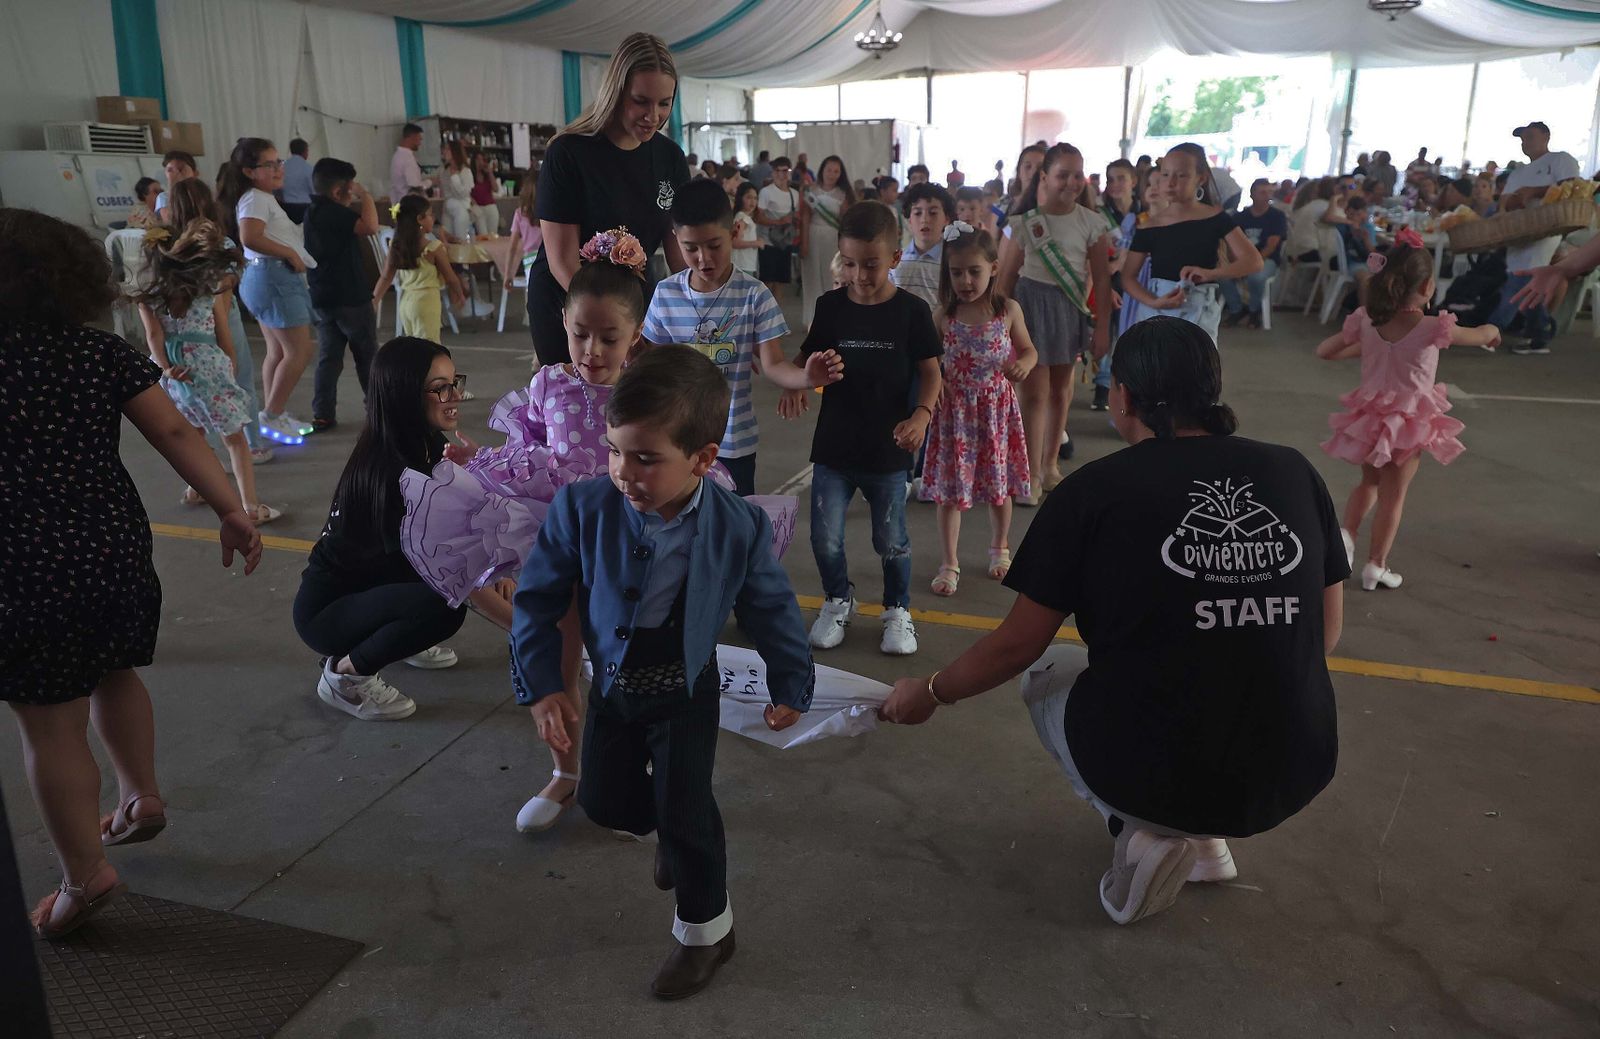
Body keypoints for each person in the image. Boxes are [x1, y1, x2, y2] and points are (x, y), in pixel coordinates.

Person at [881, 317, 1351, 925]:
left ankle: (1144, 835)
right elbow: (1325, 634)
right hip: (1297, 765)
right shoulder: (1293, 472)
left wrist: (931, 691)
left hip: (1156, 770)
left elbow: (1016, 645)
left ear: (1122, 396)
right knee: (1218, 678)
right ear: (1213, 388)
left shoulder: (1094, 491)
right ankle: (1207, 843)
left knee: (1049, 672)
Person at [511, 345, 814, 1000]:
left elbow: (770, 607)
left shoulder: (737, 527)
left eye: (647, 457)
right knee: (605, 801)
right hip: (615, 687)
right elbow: (536, 600)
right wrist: (542, 687)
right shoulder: (582, 509)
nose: (624, 471)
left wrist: (792, 682)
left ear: (704, 459)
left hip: (685, 688)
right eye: (617, 450)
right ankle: (673, 830)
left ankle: (707, 932)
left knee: (687, 811)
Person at [0, 207, 262, 939]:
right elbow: (176, 428)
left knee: (50, 725)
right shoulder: (98, 353)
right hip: (112, 552)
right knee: (116, 671)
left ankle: (84, 874)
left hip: (21, 566)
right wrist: (232, 508)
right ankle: (141, 793)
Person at [294, 337, 513, 722]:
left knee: (466, 578)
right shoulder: (391, 473)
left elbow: (467, 522)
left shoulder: (422, 441)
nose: (454, 396)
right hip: (328, 615)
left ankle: (396, 637)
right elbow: (459, 576)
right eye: (438, 388)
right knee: (445, 607)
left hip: (375, 587)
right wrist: (530, 632)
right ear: (402, 395)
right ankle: (345, 675)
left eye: (454, 382)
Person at [1317, 231, 1500, 592]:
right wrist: (1493, 331)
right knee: (1393, 497)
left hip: (1369, 420)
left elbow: (1325, 350)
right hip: (1409, 425)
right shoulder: (1434, 328)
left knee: (1368, 483)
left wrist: (1365, 351)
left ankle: (1347, 534)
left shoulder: (1367, 323)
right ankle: (1376, 566)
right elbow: (1479, 334)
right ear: (1429, 286)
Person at [801, 201, 943, 657]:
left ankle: (897, 610)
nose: (860, 275)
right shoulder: (830, 307)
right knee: (824, 536)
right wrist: (806, 377)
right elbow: (810, 363)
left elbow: (931, 371)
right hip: (835, 445)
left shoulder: (912, 311)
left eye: (871, 264)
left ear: (895, 258)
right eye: (850, 263)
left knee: (891, 539)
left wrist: (922, 414)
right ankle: (838, 599)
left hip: (889, 448)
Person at [643, 180, 843, 496]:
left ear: (734, 233)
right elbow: (651, 367)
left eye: (714, 245)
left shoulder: (754, 295)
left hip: (733, 442)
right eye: (691, 248)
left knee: (733, 531)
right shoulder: (666, 294)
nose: (703, 259)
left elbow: (774, 364)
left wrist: (804, 377)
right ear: (675, 239)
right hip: (676, 441)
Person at [530, 33, 689, 368]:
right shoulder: (569, 153)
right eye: (641, 101)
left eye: (664, 103)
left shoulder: (670, 158)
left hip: (632, 308)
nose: (654, 115)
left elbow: (680, 256)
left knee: (633, 413)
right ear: (616, 93)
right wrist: (608, 327)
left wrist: (712, 306)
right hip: (572, 305)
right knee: (574, 412)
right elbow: (562, 262)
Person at [132, 219, 284, 525]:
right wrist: (229, 363)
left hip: (174, 372)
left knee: (195, 431)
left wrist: (165, 368)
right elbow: (222, 331)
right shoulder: (206, 289)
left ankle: (195, 489)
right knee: (235, 438)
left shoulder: (150, 296)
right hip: (208, 364)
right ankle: (250, 506)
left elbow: (153, 336)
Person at [920, 224, 1036, 597]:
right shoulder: (943, 316)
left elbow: (1030, 351)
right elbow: (925, 361)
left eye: (974, 271)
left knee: (999, 489)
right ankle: (949, 561)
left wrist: (1025, 366)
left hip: (995, 413)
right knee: (950, 493)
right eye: (956, 273)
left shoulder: (1008, 311)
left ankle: (1000, 547)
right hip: (954, 416)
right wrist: (936, 377)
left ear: (994, 268)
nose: (966, 281)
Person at [996, 143, 1111, 501]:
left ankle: (1049, 466)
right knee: (1034, 393)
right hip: (1029, 310)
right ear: (1045, 177)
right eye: (1063, 174)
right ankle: (1027, 473)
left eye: (1078, 174)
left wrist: (1103, 327)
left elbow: (1102, 278)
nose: (1072, 182)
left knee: (1062, 389)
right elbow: (1005, 280)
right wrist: (999, 327)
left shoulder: (1092, 222)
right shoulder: (1025, 223)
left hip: (1069, 309)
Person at [218, 137, 319, 444]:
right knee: (298, 351)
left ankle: (275, 411)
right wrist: (288, 253)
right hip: (273, 277)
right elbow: (250, 237)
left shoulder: (261, 197)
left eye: (279, 162)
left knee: (277, 351)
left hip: (264, 277)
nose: (279, 169)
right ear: (250, 171)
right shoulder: (257, 199)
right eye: (270, 164)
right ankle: (272, 415)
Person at [1121, 143, 1262, 343]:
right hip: (1157, 309)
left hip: (1199, 308)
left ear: (1201, 177)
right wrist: (1153, 300)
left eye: (1181, 175)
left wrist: (1211, 273)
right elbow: (1128, 277)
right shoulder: (1148, 226)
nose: (1171, 182)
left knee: (1195, 368)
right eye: (1165, 174)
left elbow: (1253, 261)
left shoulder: (1216, 217)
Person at [1489, 121, 1581, 355]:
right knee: (1522, 278)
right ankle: (1538, 332)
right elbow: (1505, 201)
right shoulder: (1518, 172)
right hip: (1518, 231)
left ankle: (1492, 329)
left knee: (1521, 278)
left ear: (1546, 137)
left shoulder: (1560, 159)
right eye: (1522, 138)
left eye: (1530, 136)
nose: (1525, 142)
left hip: (1546, 228)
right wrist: (1514, 200)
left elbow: (1571, 186)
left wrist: (1534, 191)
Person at [303, 158, 381, 431]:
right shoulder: (334, 212)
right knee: (367, 354)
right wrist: (367, 196)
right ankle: (377, 408)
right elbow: (370, 226)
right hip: (350, 296)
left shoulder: (312, 211)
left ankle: (323, 412)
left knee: (329, 356)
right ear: (338, 191)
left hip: (323, 295)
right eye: (351, 188)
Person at [374, 194, 468, 344]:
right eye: (430, 215)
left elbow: (386, 277)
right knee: (429, 349)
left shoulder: (396, 246)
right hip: (427, 303)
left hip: (406, 304)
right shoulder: (433, 248)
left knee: (413, 349)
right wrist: (460, 295)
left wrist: (375, 300)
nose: (433, 219)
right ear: (420, 219)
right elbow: (450, 277)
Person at [1219, 178, 1288, 330]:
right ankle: (1236, 309)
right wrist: (1235, 263)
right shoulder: (1239, 217)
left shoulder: (1277, 216)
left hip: (1267, 259)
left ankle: (1254, 310)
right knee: (1222, 276)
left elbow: (1272, 245)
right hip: (1242, 259)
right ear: (1252, 195)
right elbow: (1230, 245)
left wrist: (1250, 264)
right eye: (1262, 192)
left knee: (1256, 277)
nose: (1267, 196)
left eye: (1269, 192)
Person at [799, 155, 855, 328]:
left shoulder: (843, 194)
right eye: (829, 170)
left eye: (836, 171)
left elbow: (845, 221)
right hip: (813, 234)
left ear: (841, 173)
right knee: (812, 277)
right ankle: (812, 317)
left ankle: (831, 316)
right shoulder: (811, 191)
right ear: (822, 170)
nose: (831, 174)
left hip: (833, 238)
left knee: (830, 275)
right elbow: (806, 218)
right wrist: (804, 242)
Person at [893, 181, 954, 308]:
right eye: (917, 213)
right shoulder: (896, 259)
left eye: (933, 213)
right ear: (909, 219)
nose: (925, 219)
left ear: (946, 219)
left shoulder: (952, 260)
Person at [756, 156, 799, 299]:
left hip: (785, 242)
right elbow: (759, 217)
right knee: (767, 281)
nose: (782, 174)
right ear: (773, 173)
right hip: (768, 242)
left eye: (785, 170)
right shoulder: (766, 192)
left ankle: (776, 313)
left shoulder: (795, 194)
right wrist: (779, 222)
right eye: (778, 170)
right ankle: (763, 314)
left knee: (781, 281)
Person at [507, 174, 543, 281]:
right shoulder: (547, 212)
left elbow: (512, 247)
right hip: (546, 257)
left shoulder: (520, 213)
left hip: (529, 260)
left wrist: (507, 274)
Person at [438, 139, 474, 241]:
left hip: (461, 209)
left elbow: (463, 193)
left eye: (447, 149)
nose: (444, 151)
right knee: (447, 239)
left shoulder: (465, 171)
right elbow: (438, 182)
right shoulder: (444, 170)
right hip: (448, 208)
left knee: (460, 240)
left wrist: (454, 176)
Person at [389, 123, 432, 204]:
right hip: (408, 204)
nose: (420, 143)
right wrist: (430, 181)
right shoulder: (406, 158)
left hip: (400, 202)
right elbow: (415, 186)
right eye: (419, 139)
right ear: (412, 137)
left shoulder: (399, 155)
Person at [154, 149, 198, 224]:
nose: (177, 174)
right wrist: (172, 184)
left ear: (194, 173)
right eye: (170, 170)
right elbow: (169, 221)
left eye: (181, 170)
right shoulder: (163, 197)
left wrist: (188, 182)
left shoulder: (201, 193)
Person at [730, 182, 761, 278]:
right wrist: (755, 243)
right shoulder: (742, 218)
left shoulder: (745, 218)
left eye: (755, 198)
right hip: (742, 265)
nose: (753, 201)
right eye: (749, 197)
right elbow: (735, 242)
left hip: (746, 264)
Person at [279, 138, 313, 223]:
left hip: (286, 207)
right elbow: (314, 190)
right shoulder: (309, 168)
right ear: (305, 151)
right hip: (305, 208)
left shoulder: (281, 167)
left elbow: (277, 189)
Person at [470, 151, 501, 237]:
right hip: (478, 209)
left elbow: (496, 189)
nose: (480, 162)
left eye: (482, 160)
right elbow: (467, 193)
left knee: (493, 234)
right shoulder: (470, 175)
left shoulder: (487, 175)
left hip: (490, 207)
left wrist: (490, 172)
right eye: (478, 160)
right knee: (483, 235)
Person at [876, 176, 907, 245]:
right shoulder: (876, 210)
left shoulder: (894, 210)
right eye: (894, 190)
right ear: (883, 192)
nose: (897, 193)